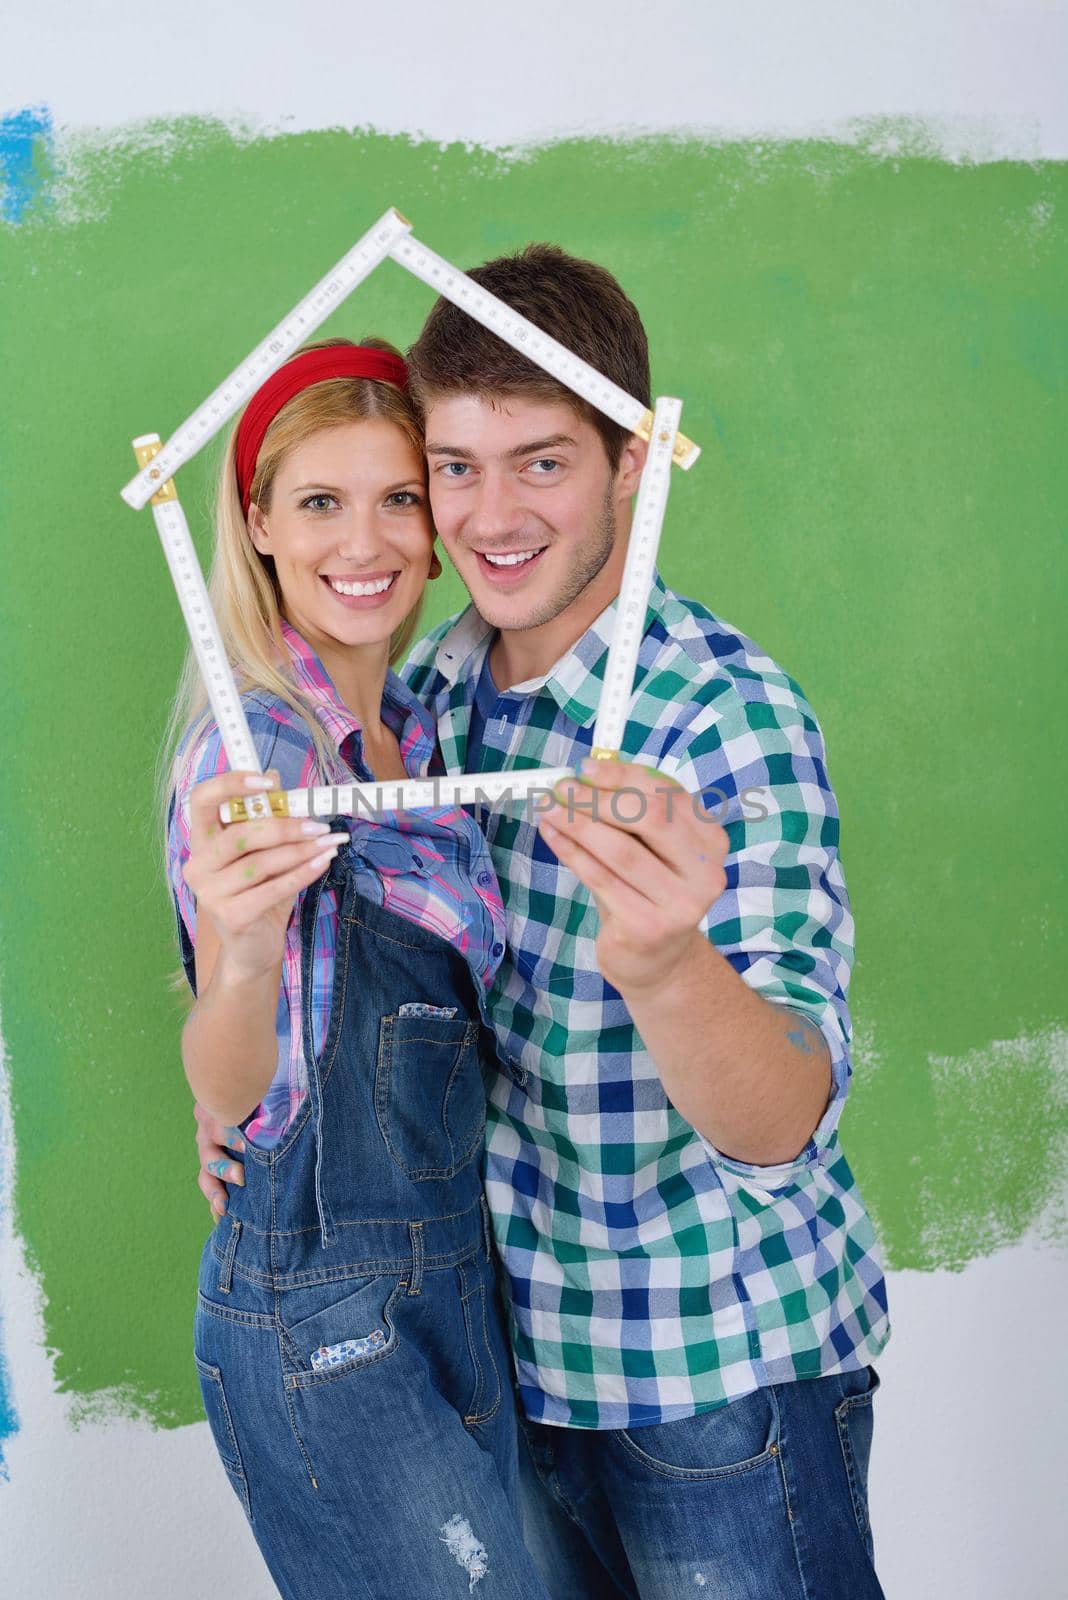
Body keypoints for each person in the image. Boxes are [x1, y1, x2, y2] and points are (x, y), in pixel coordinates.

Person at [197, 247, 892, 1600]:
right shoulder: (432, 697)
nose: (491, 512)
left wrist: (669, 966)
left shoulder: (721, 719)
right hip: (508, 1360)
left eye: (543, 462)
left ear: (634, 459)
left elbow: (784, 1121)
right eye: (453, 466)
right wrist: (255, 1058)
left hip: (714, 1378)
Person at [163, 337, 554, 1598]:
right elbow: (234, 1081)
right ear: (260, 525)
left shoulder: (433, 731)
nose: (365, 540)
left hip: (462, 1285)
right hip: (323, 1320)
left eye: (397, 498)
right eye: (321, 502)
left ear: (438, 531)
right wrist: (239, 967)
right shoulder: (254, 749)